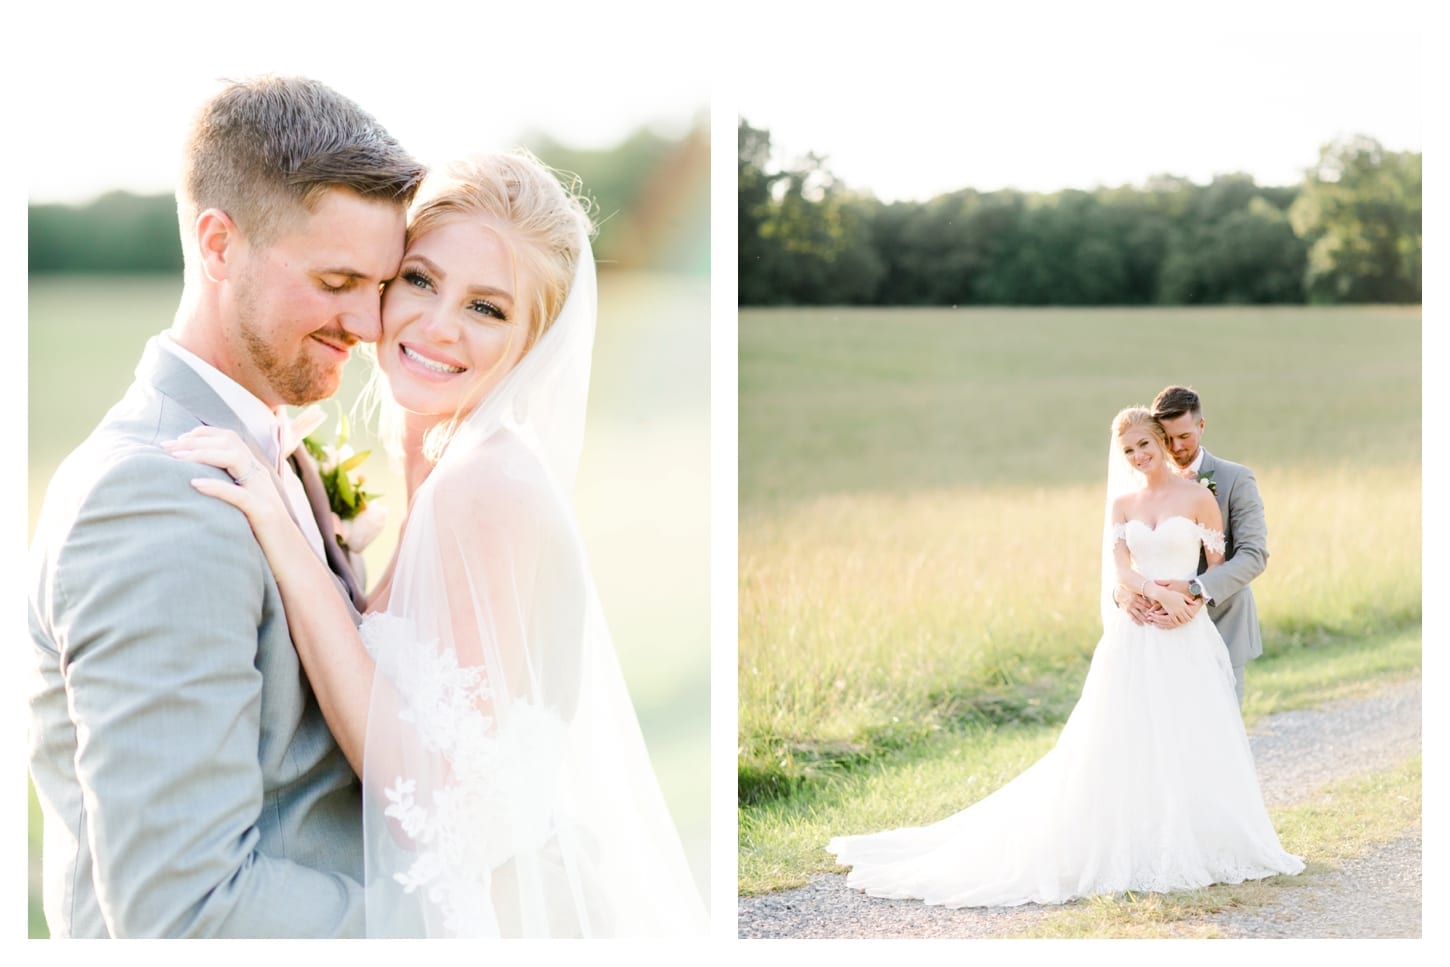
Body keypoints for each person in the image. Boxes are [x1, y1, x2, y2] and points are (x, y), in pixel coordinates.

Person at [167, 152, 707, 937]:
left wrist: (287, 543)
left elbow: (434, 794)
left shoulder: (484, 489)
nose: (439, 323)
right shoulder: (445, 462)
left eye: (488, 308)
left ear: (533, 341)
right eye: (420, 280)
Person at [27, 75, 424, 937]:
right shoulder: (152, 497)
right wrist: (453, 927)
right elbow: (185, 913)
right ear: (218, 244)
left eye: (382, 283)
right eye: (336, 279)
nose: (368, 322)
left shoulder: (265, 440)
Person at [826, 407, 1302, 908]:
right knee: (1122, 737)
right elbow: (1119, 569)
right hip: (1136, 633)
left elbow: (1220, 566)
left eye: (1145, 444)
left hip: (1187, 633)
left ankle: (1200, 839)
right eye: (1129, 450)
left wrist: (1186, 602)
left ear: (1161, 440)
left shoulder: (1201, 497)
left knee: (1193, 733)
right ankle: (1130, 839)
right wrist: (1147, 594)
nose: (1139, 456)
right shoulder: (1122, 504)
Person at [1113, 385, 1268, 705]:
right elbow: (1123, 561)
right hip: (1153, 628)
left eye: (1184, 436)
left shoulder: (1235, 479)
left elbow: (1254, 555)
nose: (1175, 446)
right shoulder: (1133, 493)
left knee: (1218, 730)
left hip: (1221, 621)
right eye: (1166, 438)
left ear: (1201, 426)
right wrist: (1123, 593)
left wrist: (1194, 592)